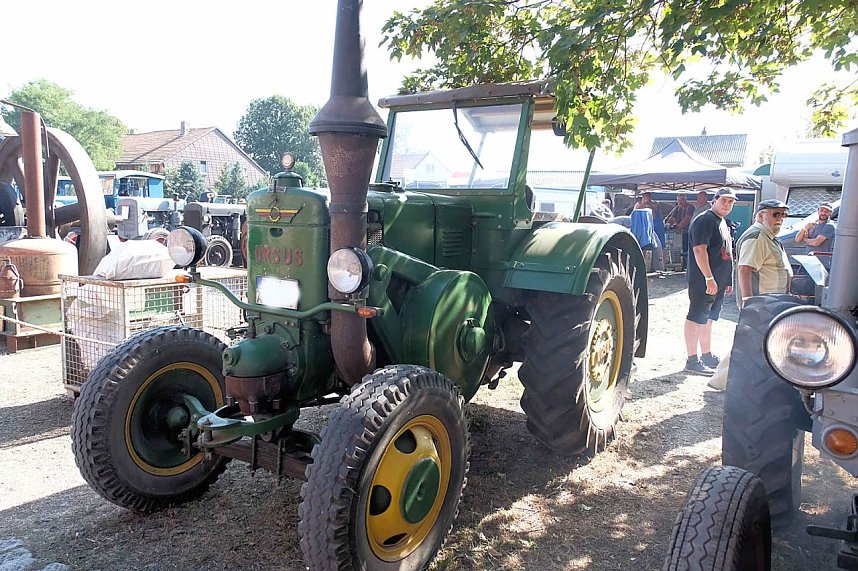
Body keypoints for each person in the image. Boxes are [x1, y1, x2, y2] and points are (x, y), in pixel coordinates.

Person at [684, 187, 737, 376]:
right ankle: (692, 360)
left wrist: (726, 280)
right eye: (724, 200)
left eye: (731, 202)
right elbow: (700, 250)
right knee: (696, 317)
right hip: (703, 281)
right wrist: (709, 278)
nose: (727, 204)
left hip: (718, 281)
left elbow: (726, 252)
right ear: (714, 200)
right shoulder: (705, 220)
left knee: (709, 318)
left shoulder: (721, 222)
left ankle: (706, 355)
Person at [735, 200, 792, 308]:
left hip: (771, 302)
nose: (780, 218)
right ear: (761, 216)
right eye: (776, 214)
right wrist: (748, 303)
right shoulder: (757, 237)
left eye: (783, 214)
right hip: (762, 305)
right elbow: (744, 269)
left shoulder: (768, 236)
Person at [666, 193, 695, 270]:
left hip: (689, 232)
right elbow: (672, 218)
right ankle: (682, 265)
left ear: (685, 200)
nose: (680, 202)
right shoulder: (677, 208)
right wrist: (669, 223)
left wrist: (678, 226)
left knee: (687, 249)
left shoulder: (690, 207)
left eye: (682, 200)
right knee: (679, 249)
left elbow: (687, 219)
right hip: (680, 233)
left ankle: (687, 266)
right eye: (678, 200)